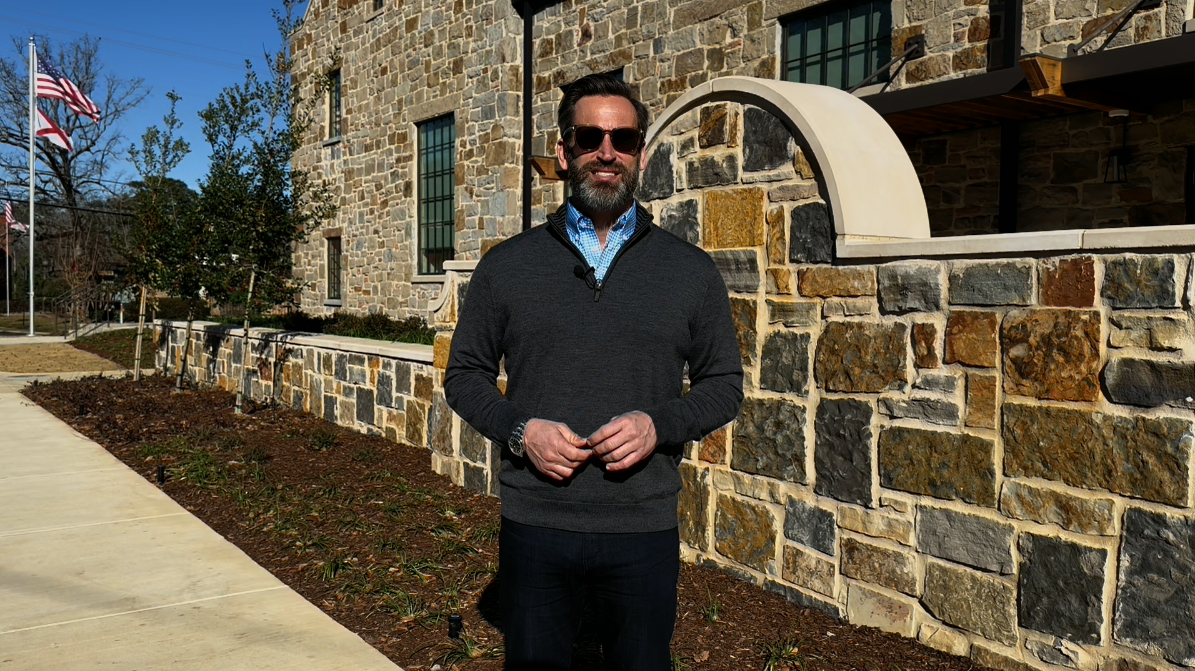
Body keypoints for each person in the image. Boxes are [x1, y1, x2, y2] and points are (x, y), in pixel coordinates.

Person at [444, 73, 744, 670]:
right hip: (536, 524)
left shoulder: (690, 272)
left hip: (642, 526)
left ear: (640, 154)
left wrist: (659, 425)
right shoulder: (508, 267)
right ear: (564, 151)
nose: (607, 152)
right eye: (590, 136)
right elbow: (465, 375)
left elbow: (724, 386)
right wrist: (520, 429)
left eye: (623, 139)